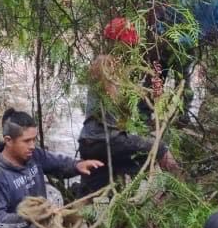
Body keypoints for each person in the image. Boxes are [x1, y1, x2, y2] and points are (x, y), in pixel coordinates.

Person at [77, 43, 180, 197]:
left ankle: (85, 205)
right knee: (159, 147)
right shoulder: (107, 84)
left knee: (92, 189)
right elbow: (125, 105)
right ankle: (179, 187)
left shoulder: (96, 88)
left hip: (87, 143)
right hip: (107, 141)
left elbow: (126, 111)